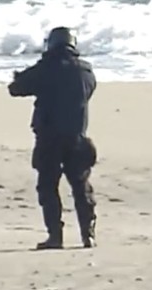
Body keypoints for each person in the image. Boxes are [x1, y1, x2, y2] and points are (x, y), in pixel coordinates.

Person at [7, 26, 98, 249]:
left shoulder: (46, 68)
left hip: (49, 139)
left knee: (48, 187)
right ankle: (88, 235)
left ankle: (55, 236)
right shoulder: (85, 71)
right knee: (81, 186)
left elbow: (16, 88)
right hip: (77, 138)